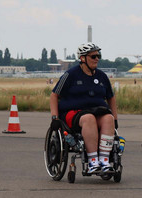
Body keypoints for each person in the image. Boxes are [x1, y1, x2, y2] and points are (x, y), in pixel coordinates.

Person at [50, 43, 118, 174]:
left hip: (97, 110)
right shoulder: (70, 75)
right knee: (89, 118)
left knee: (108, 118)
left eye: (98, 56)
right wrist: (54, 117)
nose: (97, 58)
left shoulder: (102, 76)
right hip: (73, 113)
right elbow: (54, 95)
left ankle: (104, 161)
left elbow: (111, 97)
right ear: (82, 58)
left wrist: (115, 118)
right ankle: (93, 162)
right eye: (93, 56)